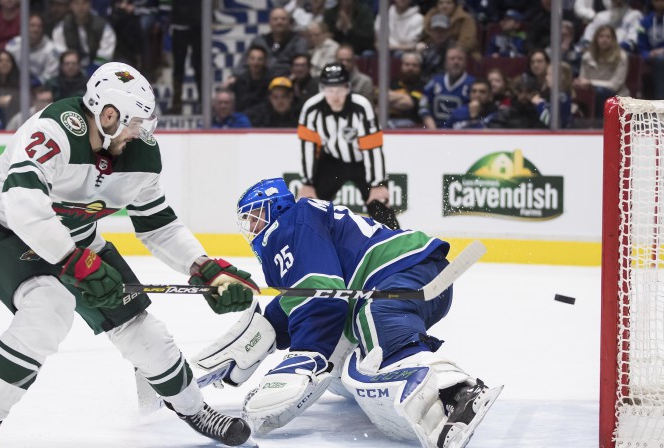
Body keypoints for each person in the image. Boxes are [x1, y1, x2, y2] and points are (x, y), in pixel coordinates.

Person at [0, 62, 258, 448]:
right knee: (49, 308)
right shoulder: (53, 132)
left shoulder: (140, 154)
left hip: (77, 241)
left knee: (140, 327)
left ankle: (194, 409)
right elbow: (22, 203)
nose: (141, 133)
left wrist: (204, 267)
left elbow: (159, 225)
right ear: (108, 114)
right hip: (6, 234)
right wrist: (73, 260)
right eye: (134, 122)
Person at [190, 177, 501, 446]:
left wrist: (305, 356)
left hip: (403, 272)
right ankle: (420, 393)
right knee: (348, 360)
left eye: (254, 217)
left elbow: (319, 296)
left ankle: (458, 392)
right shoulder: (302, 223)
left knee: (373, 320)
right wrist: (251, 342)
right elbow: (300, 301)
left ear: (275, 208)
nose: (251, 228)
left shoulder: (290, 224)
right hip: (411, 272)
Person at [296, 62, 400, 229]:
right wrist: (307, 182)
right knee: (310, 206)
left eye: (340, 89)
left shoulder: (361, 107)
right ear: (322, 88)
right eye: (330, 90)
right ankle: (308, 243)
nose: (335, 96)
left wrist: (377, 184)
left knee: (379, 203)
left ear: (348, 87)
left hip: (362, 164)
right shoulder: (311, 109)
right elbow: (307, 146)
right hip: (331, 162)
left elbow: (373, 148)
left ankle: (398, 245)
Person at [574, 25, 628, 119]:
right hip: (590, 92)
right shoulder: (587, 56)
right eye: (601, 36)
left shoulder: (621, 57)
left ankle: (599, 124)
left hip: (616, 94)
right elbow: (583, 78)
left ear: (613, 39)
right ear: (596, 39)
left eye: (608, 37)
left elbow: (615, 85)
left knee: (600, 92)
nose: (604, 39)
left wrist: (591, 82)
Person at [419, 45, 474, 129]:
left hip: (461, 133)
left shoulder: (472, 84)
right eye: (452, 58)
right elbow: (423, 106)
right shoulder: (434, 82)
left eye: (460, 59)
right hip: (434, 130)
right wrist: (434, 130)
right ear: (445, 62)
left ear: (466, 62)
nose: (456, 62)